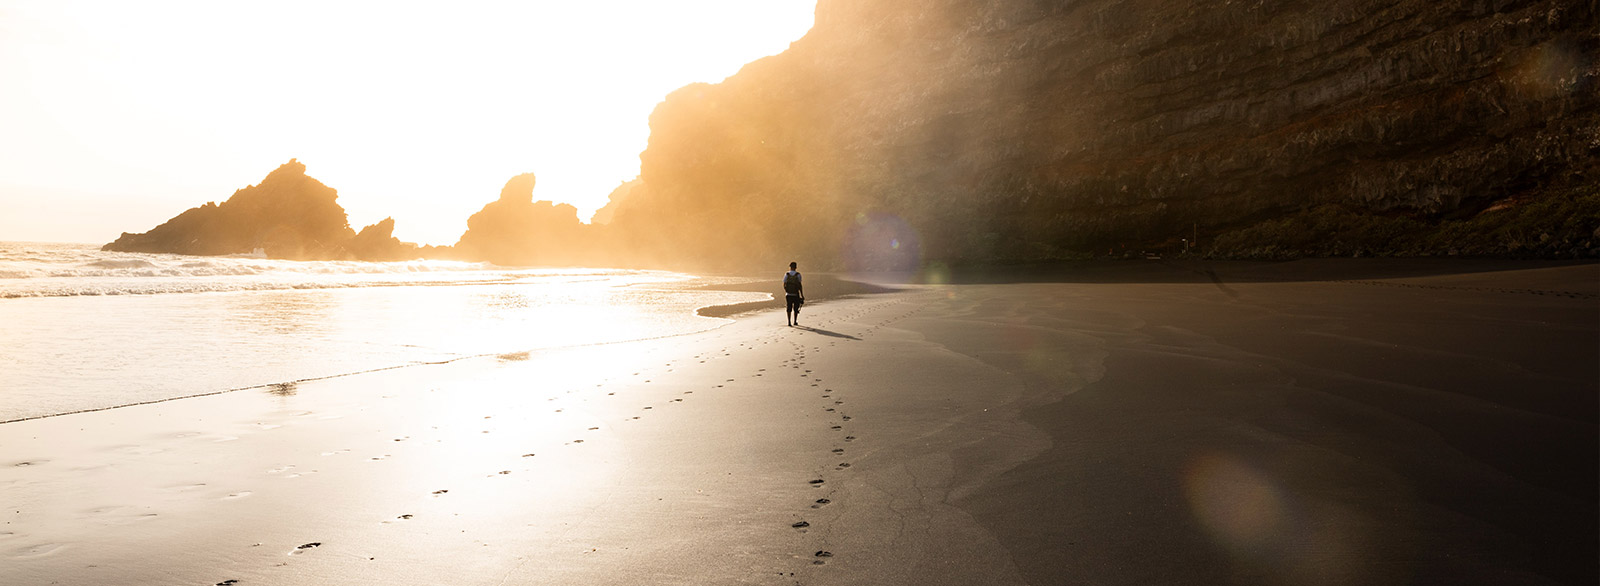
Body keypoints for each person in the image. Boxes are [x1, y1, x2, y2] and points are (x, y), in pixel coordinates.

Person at [783, 261, 804, 326]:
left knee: (789, 308)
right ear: (796, 267)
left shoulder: (787, 274)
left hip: (788, 294)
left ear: (790, 267)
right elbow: (800, 285)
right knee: (796, 308)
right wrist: (802, 295)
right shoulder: (798, 275)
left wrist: (787, 290)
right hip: (796, 294)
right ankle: (795, 321)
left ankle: (789, 322)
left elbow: (784, 284)